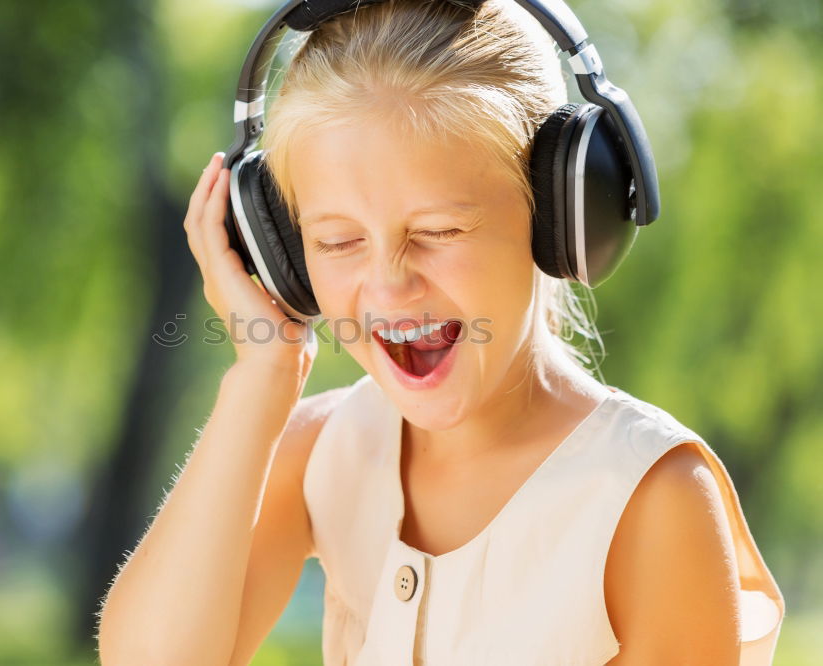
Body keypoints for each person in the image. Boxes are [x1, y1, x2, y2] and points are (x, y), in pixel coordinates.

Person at [97, 1, 785, 664]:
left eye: (438, 232)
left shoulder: (651, 497)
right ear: (282, 255)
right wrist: (262, 375)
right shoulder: (322, 453)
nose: (389, 285)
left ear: (561, 218)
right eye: (337, 242)